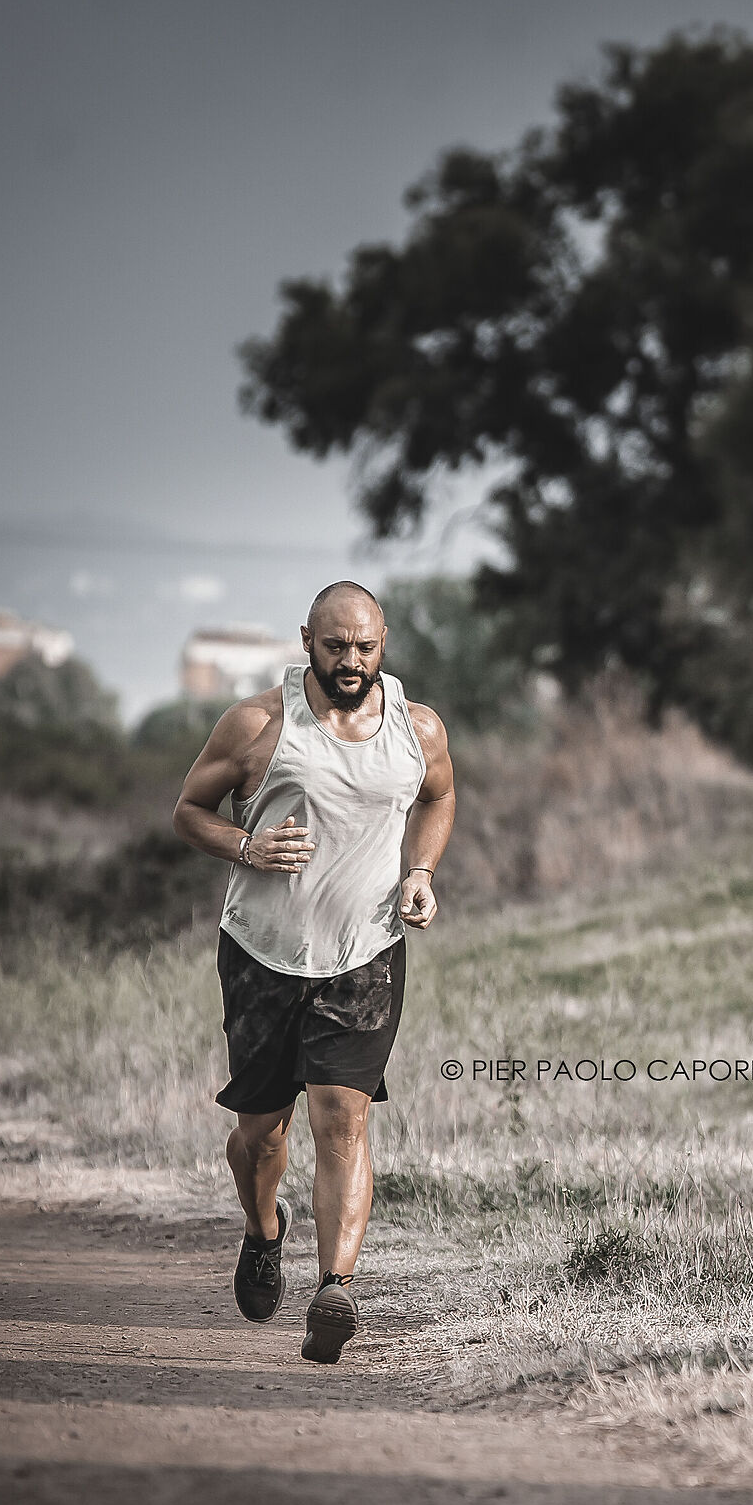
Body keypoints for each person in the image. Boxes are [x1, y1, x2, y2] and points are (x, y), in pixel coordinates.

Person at [171, 581, 456, 1363]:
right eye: (336, 647)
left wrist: (421, 872)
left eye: (366, 647)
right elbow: (188, 811)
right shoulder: (258, 725)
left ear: (384, 641)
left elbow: (439, 797)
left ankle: (335, 1289)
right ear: (306, 640)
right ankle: (264, 1234)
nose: (351, 662)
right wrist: (246, 847)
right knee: (260, 1135)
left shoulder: (417, 726)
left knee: (343, 1115)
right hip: (262, 954)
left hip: (365, 955)